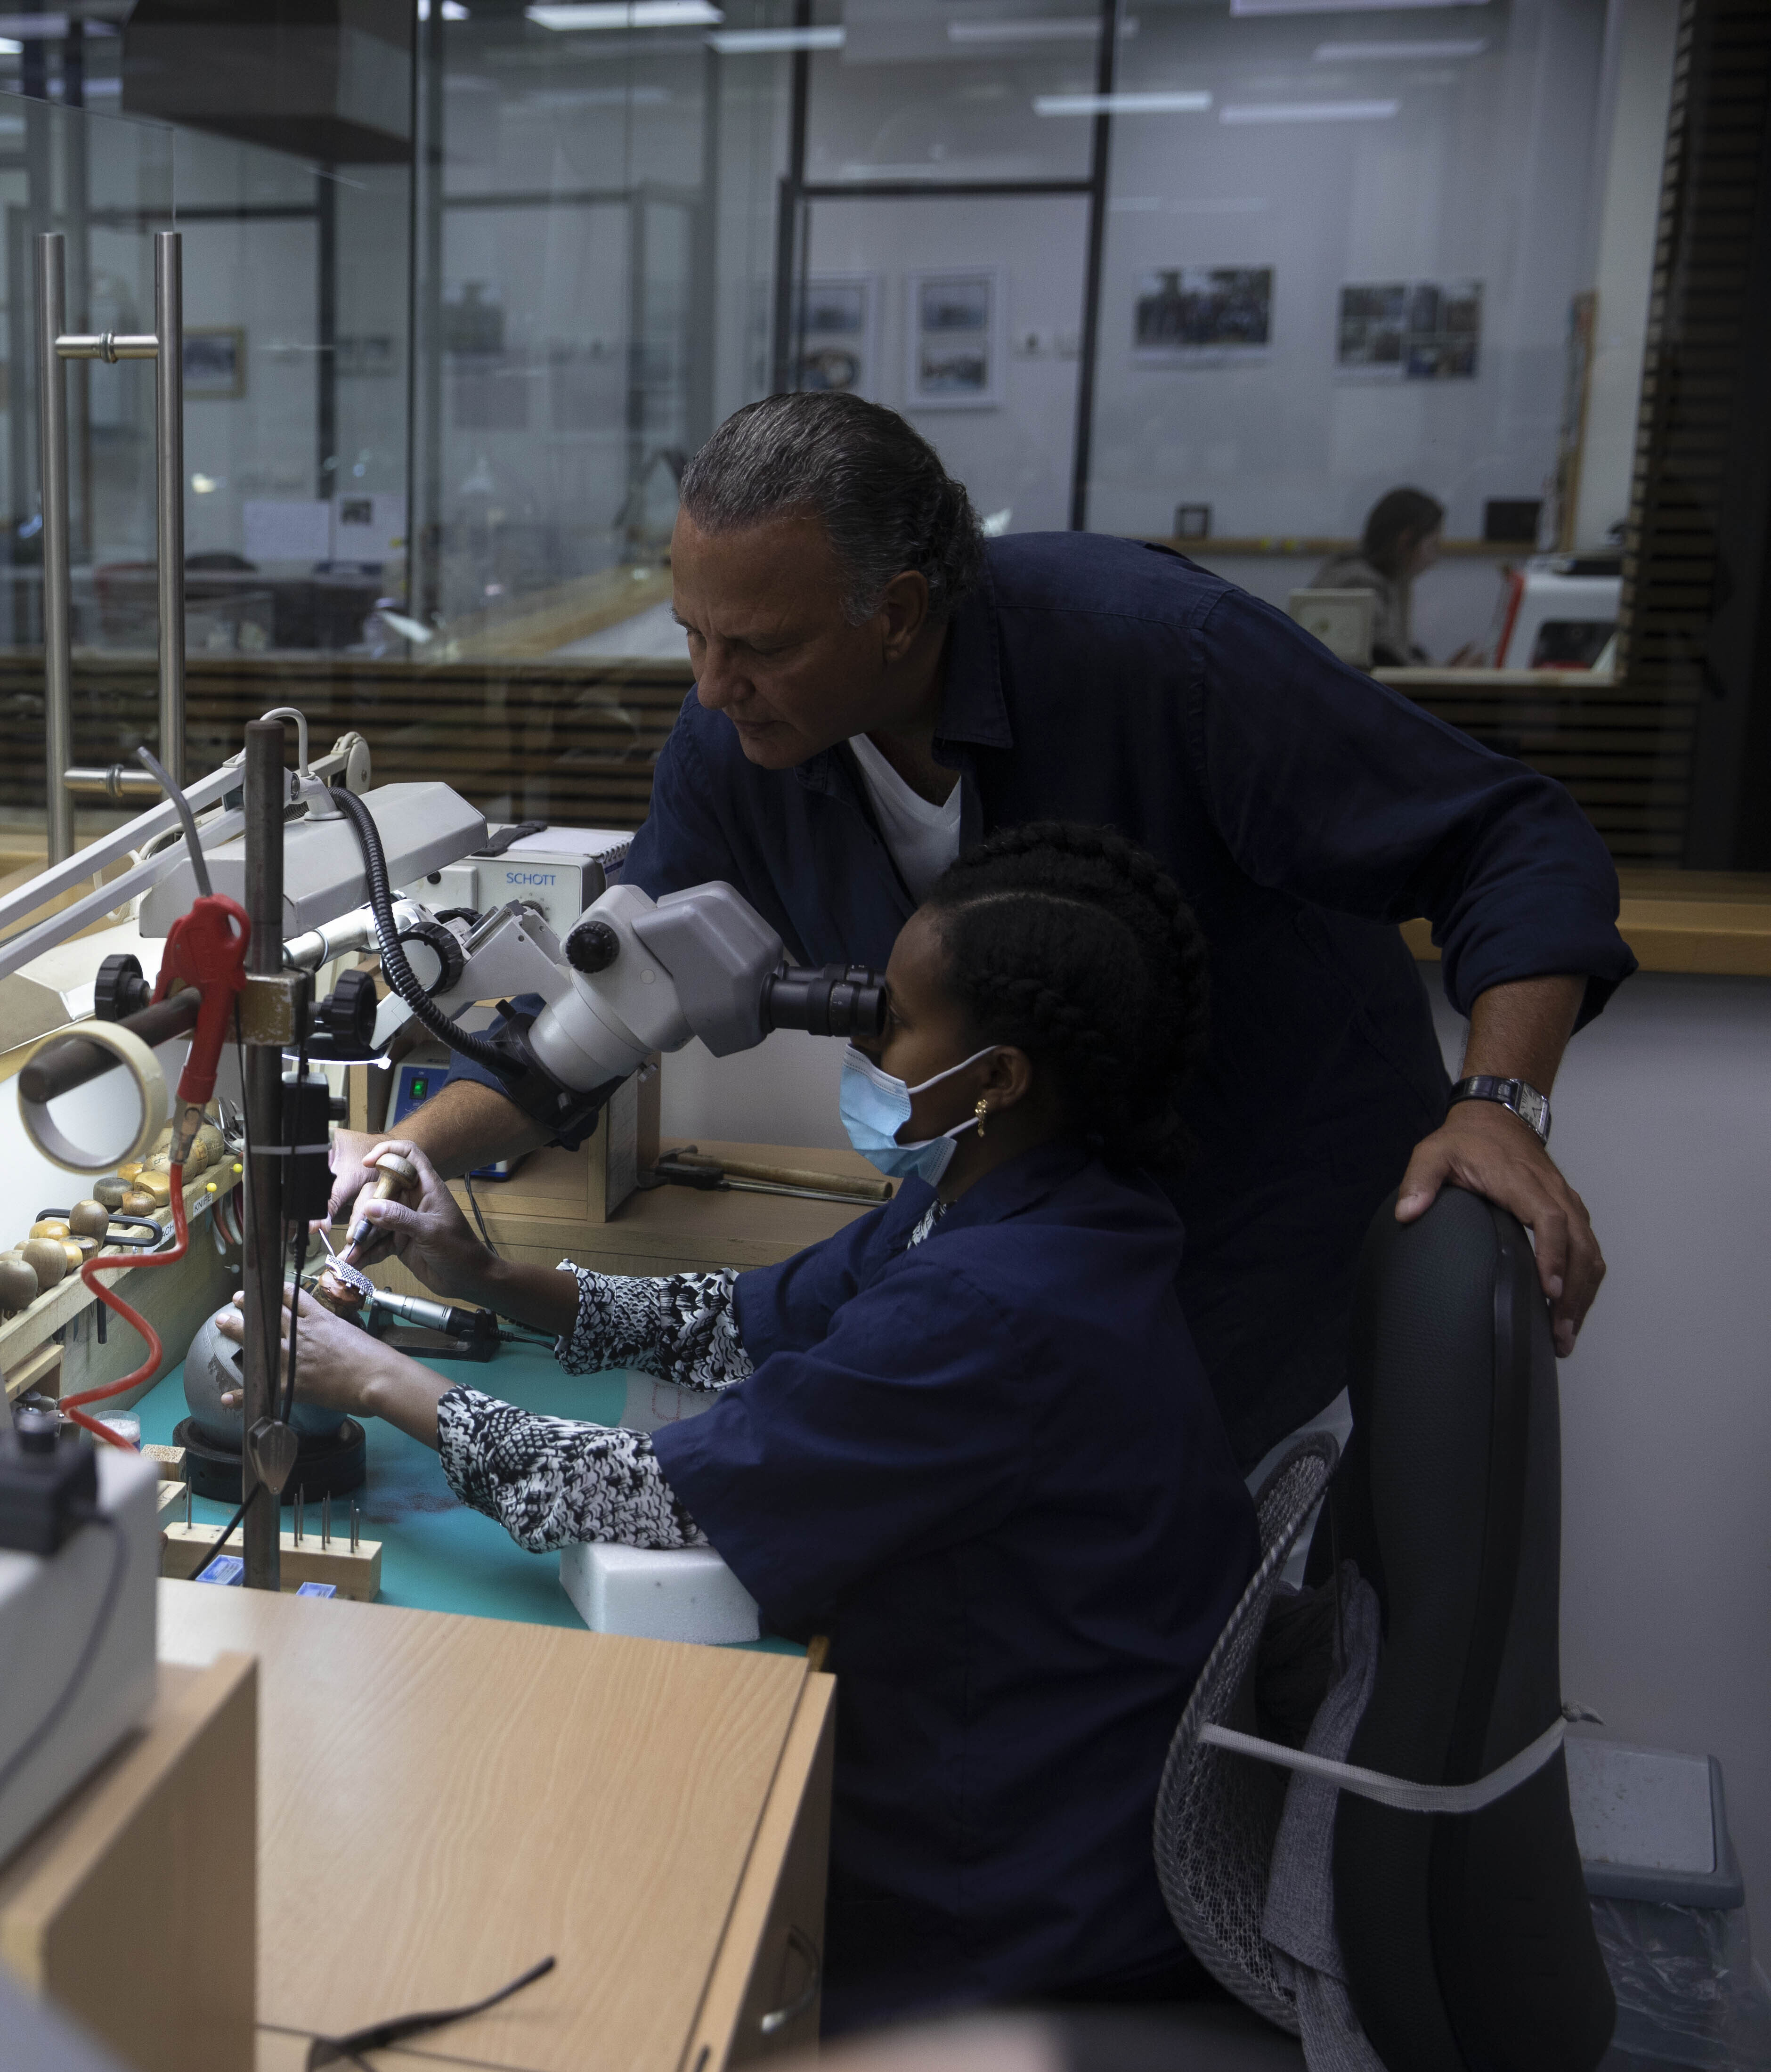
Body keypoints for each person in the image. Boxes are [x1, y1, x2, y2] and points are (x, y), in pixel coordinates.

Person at [335, 394, 1633, 1470]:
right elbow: (617, 1006)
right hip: (1036, 1280)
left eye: (758, 647)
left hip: (1275, 1231)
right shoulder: (745, 747)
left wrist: (1499, 1103)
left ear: (898, 612)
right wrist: (403, 1155)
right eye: (692, 636)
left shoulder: (1162, 659)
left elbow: (1512, 835)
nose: (711, 686)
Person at [230, 824, 1258, 2033]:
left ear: (998, 1078)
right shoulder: (1013, 1204)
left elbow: (647, 1500)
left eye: (896, 1025)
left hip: (1011, 1903)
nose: (865, 1039)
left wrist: (369, 1378)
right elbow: (739, 1322)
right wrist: (487, 1275)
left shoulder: (999, 1307)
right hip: (1026, 1772)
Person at [1307, 487, 1445, 666]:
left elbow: (1401, 650)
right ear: (1406, 540)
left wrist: (1443, 671)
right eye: (1433, 545)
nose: (1435, 559)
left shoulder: (1389, 581)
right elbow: (1387, 659)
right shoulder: (1358, 583)